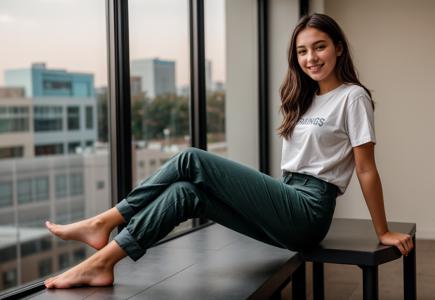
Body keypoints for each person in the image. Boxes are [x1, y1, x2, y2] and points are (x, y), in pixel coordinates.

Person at [44, 13, 413, 289]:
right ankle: (105, 262)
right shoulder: (305, 100)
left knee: (191, 159)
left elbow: (366, 169)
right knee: (187, 194)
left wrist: (382, 230)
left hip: (310, 209)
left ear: (338, 48)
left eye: (319, 46)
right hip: (287, 196)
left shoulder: (353, 97)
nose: (311, 58)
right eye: (302, 51)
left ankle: (103, 222)